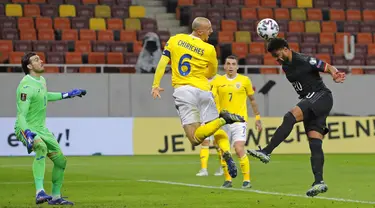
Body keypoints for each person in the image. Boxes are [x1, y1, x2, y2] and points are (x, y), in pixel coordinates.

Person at [246, 38, 346, 196]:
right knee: (314, 142)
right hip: (313, 101)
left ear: (286, 49)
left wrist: (335, 74)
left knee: (289, 117)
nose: (277, 59)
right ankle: (318, 182)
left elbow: (325, 66)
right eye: (274, 57)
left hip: (321, 96)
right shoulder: (285, 65)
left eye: (278, 54)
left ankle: (266, 151)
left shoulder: (304, 59)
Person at [151, 17, 245, 178]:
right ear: (200, 31)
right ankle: (226, 152)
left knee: (195, 139)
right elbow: (212, 73)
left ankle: (224, 119)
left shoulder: (175, 40)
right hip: (204, 91)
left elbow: (162, 62)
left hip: (184, 91)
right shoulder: (209, 49)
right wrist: (202, 74)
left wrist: (155, 84)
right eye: (209, 28)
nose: (212, 31)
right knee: (216, 129)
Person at [15, 52, 87, 205]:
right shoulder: (25, 86)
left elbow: (44, 95)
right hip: (26, 128)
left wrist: (68, 94)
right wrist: (27, 132)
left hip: (42, 129)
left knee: (61, 161)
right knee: (40, 147)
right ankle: (39, 192)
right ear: (29, 66)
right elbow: (21, 115)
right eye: (36, 60)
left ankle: (55, 197)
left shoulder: (41, 80)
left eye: (40, 58)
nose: (41, 61)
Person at [212, 55, 262, 188]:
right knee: (224, 151)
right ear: (225, 66)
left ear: (237, 66)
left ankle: (247, 180)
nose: (230, 66)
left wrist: (257, 118)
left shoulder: (245, 80)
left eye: (233, 64)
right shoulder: (217, 81)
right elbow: (212, 100)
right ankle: (228, 180)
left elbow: (252, 100)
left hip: (239, 121)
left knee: (239, 148)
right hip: (222, 121)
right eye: (228, 63)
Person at [196, 74, 223, 177]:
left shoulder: (220, 79)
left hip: (217, 115)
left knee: (218, 143)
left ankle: (222, 167)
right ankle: (204, 169)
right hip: (204, 115)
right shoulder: (200, 79)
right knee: (205, 141)